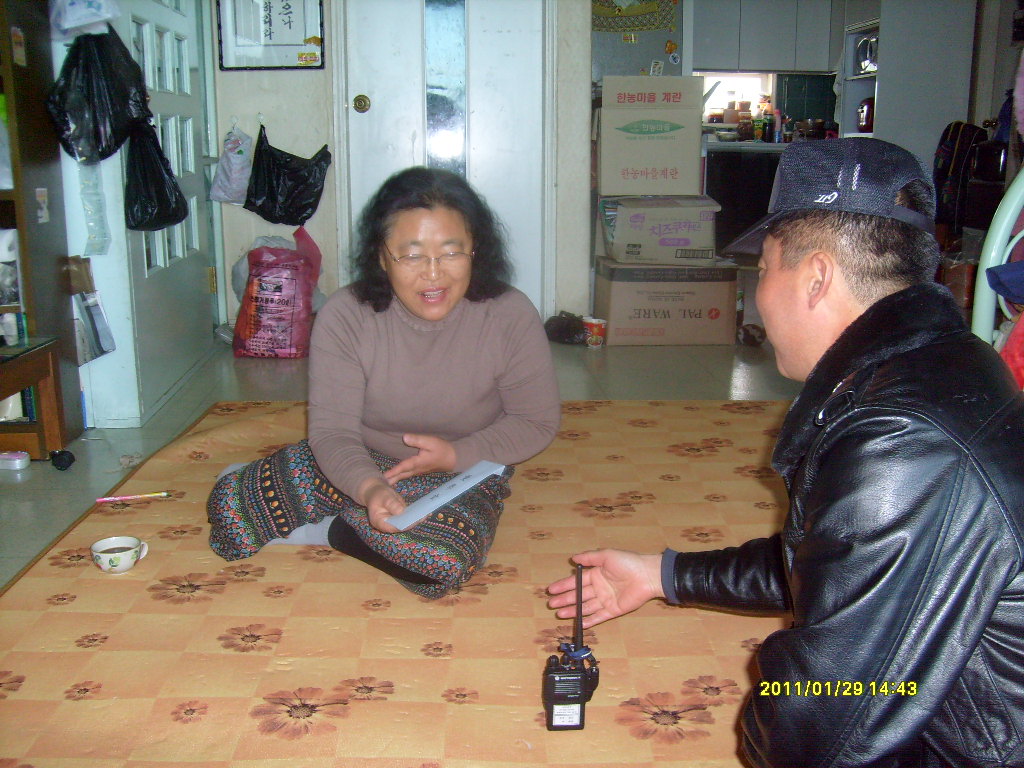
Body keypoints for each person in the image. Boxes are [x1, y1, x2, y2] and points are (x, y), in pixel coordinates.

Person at [547, 138, 1024, 767]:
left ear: (816, 277)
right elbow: (838, 560)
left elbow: (822, 727)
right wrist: (663, 573)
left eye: (765, 268)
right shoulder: (946, 360)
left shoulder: (901, 442)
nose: (757, 296)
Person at [209, 166, 561, 598]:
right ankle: (358, 514)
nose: (433, 274)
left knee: (442, 562)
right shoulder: (346, 315)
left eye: (451, 252)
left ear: (476, 250)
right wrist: (369, 486)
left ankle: (337, 527)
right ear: (381, 257)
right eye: (411, 255)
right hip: (360, 458)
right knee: (230, 515)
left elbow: (535, 421)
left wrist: (457, 455)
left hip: (463, 468)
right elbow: (333, 432)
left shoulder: (510, 314)